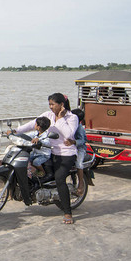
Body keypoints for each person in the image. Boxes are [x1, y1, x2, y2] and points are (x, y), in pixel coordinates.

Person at [13, 93, 79, 224]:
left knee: (60, 179)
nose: (50, 107)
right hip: (49, 152)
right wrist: (16, 131)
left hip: (66, 154)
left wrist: (60, 118)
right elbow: (33, 124)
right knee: (40, 175)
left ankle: (67, 212)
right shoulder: (48, 115)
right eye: (49, 104)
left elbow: (69, 135)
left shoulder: (72, 117)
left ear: (61, 105)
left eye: (53, 104)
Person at [64, 108, 87, 196]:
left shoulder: (80, 128)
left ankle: (81, 183)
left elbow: (83, 141)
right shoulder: (68, 124)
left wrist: (73, 142)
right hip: (68, 147)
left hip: (79, 148)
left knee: (78, 163)